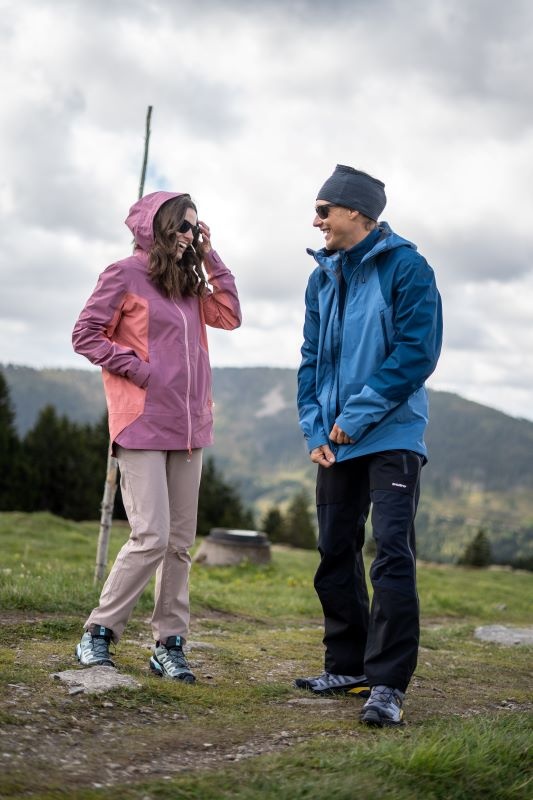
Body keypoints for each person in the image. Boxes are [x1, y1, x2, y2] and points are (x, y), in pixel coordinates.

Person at [72, 190, 241, 682]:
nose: (189, 234)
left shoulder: (189, 283)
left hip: (189, 428)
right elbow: (86, 334)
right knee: (151, 536)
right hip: (142, 423)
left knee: (179, 543)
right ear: (157, 226)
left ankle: (169, 643)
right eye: (183, 225)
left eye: (195, 226)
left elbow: (229, 315)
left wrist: (210, 256)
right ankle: (98, 632)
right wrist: (138, 369)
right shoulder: (124, 274)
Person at [295, 165, 442, 726]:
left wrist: (355, 417)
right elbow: (312, 360)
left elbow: (416, 352)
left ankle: (387, 684)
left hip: (391, 434)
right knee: (335, 550)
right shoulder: (321, 278)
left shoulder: (407, 268)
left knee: (392, 554)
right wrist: (315, 429)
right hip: (335, 439)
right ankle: (348, 666)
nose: (316, 221)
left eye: (324, 210)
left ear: (356, 211)